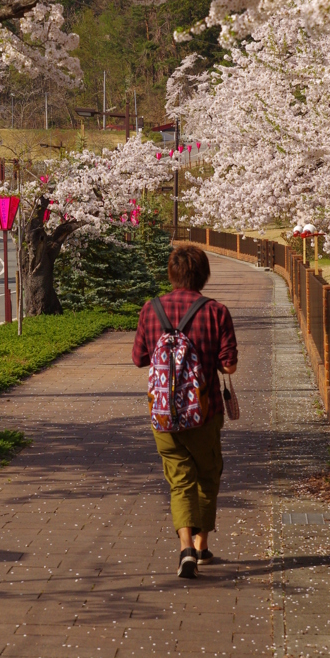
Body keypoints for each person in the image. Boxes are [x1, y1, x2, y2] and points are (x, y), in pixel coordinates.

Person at [132, 244, 238, 579]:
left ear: (172, 273)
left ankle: (184, 548)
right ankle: (202, 544)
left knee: (179, 482)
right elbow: (229, 365)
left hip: (163, 414)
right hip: (204, 412)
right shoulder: (216, 311)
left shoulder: (151, 310)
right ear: (203, 274)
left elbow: (139, 358)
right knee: (207, 476)